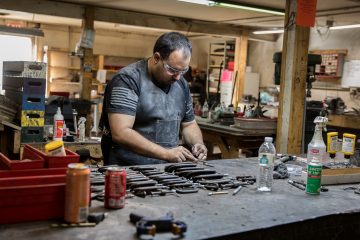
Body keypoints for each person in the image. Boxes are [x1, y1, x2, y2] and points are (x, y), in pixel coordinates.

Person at [100, 32, 208, 166]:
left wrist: (198, 143)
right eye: (172, 69)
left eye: (183, 71)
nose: (178, 77)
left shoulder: (181, 84)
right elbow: (121, 132)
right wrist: (166, 153)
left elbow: (189, 124)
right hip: (127, 169)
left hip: (166, 168)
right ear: (157, 57)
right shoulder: (127, 80)